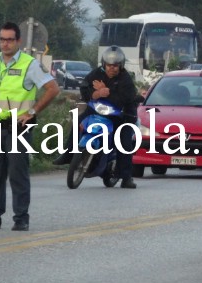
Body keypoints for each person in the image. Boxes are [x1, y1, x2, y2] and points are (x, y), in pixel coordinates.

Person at [0, 22, 60, 231]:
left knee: (17, 173)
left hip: (18, 126)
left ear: (18, 41)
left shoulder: (30, 64)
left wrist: (33, 111)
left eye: (10, 39)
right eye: (2, 39)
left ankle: (21, 218)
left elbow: (53, 89)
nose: (5, 44)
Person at [52, 46, 139, 189]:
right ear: (104, 64)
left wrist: (107, 91)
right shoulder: (96, 73)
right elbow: (85, 88)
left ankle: (126, 177)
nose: (112, 68)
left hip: (120, 115)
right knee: (78, 122)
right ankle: (68, 154)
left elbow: (125, 98)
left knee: (124, 143)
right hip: (96, 109)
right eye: (109, 65)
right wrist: (96, 94)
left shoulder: (126, 79)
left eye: (115, 65)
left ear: (121, 65)